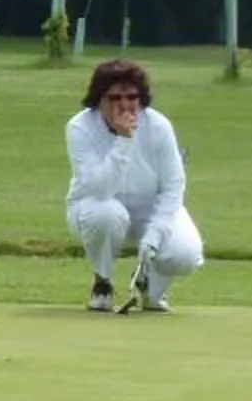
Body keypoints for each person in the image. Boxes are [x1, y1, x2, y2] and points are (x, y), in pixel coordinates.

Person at [64, 58, 203, 313]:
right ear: (99, 98)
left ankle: (151, 291)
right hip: (93, 206)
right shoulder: (79, 128)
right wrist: (124, 140)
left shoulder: (159, 126)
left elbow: (173, 186)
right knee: (106, 214)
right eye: (114, 97)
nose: (124, 104)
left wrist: (154, 235)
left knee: (185, 255)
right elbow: (100, 189)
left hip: (149, 207)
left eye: (131, 97)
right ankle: (103, 283)